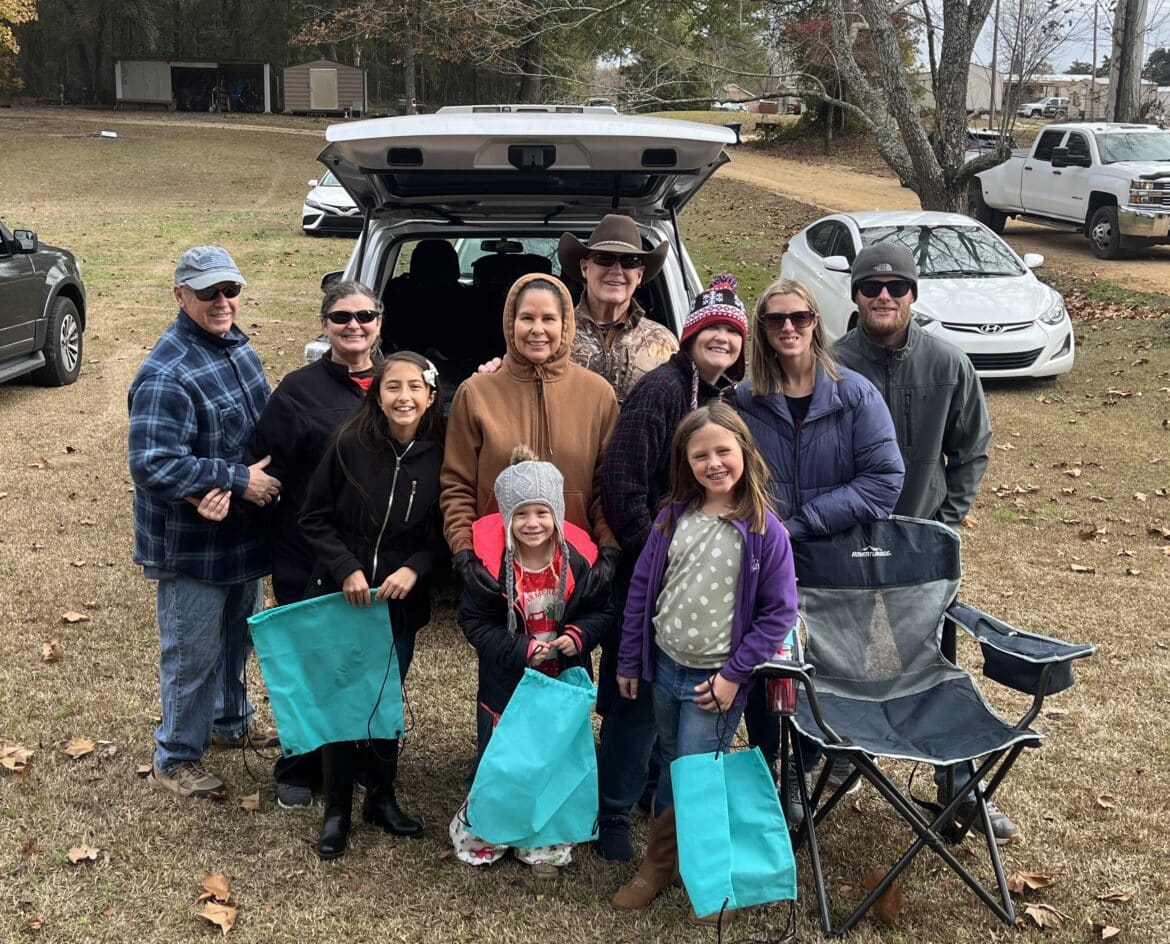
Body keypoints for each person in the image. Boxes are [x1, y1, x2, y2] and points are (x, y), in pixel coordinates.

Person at [833, 243, 1012, 842]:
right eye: (871, 287)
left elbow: (972, 450)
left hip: (922, 545)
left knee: (933, 664)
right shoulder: (830, 364)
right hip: (847, 545)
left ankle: (958, 786)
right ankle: (837, 765)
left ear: (913, 293)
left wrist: (945, 525)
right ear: (856, 295)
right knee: (842, 656)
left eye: (897, 286)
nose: (884, 296)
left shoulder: (948, 363)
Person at [613, 402, 798, 920]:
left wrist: (734, 676)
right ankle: (660, 864)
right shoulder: (672, 519)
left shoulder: (764, 531)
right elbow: (642, 592)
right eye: (700, 455)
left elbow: (779, 614)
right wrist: (630, 660)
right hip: (665, 666)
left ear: (745, 451)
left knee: (700, 771)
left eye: (723, 451)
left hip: (714, 680)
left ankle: (713, 874)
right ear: (685, 462)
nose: (713, 463)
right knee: (674, 764)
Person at [733, 277, 904, 826]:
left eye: (799, 317)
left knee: (829, 671)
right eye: (775, 319)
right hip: (765, 566)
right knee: (767, 671)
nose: (788, 327)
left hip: (838, 562)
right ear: (762, 329)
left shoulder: (855, 395)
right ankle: (770, 769)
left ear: (815, 322)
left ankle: (805, 765)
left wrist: (802, 524)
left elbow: (884, 480)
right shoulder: (743, 401)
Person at [594, 272, 749, 861]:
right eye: (710, 328)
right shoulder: (662, 389)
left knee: (671, 695)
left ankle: (651, 796)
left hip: (699, 575)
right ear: (689, 336)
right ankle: (611, 812)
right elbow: (621, 481)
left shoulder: (724, 397)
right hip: (653, 570)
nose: (721, 339)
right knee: (635, 698)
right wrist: (654, 556)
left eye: (731, 331)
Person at [128, 245, 282, 799]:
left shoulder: (238, 349)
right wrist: (236, 480)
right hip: (191, 545)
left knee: (238, 637)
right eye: (207, 292)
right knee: (192, 653)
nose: (222, 302)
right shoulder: (166, 373)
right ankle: (176, 756)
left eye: (230, 290)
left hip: (240, 534)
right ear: (180, 295)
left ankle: (229, 722)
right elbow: (151, 462)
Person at [241, 281, 384, 809]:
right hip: (307, 551)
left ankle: (359, 758)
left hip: (373, 555)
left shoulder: (397, 382)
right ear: (324, 324)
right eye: (341, 316)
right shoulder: (298, 391)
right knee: (308, 661)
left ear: (379, 322)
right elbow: (265, 467)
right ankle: (300, 763)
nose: (354, 326)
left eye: (364, 315)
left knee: (364, 663)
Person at [298, 351, 445, 858]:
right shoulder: (348, 444)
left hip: (397, 605)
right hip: (346, 599)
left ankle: (380, 797)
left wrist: (416, 568)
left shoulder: (442, 455)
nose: (404, 397)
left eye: (414, 387)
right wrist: (346, 567)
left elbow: (444, 533)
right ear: (377, 396)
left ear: (431, 396)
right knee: (343, 699)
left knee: (386, 697)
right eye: (392, 387)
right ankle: (337, 809)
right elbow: (313, 517)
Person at [450, 445, 612, 878]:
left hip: (561, 682)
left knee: (552, 757)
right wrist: (520, 648)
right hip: (507, 684)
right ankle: (489, 831)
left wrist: (577, 637)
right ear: (506, 518)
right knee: (505, 758)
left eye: (542, 512)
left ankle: (544, 834)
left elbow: (601, 611)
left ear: (557, 513)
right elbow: (474, 622)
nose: (532, 523)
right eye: (521, 514)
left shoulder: (579, 562)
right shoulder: (488, 568)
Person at [441, 273, 620, 599]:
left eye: (548, 318)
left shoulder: (598, 395)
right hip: (496, 566)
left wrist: (608, 549)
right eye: (527, 318)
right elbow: (457, 485)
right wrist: (464, 550)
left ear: (565, 325)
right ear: (511, 324)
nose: (538, 329)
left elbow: (605, 487)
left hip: (574, 565)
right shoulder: (476, 392)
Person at [557, 213, 679, 406]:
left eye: (630, 261)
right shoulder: (554, 334)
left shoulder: (665, 344)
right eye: (604, 258)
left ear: (639, 275)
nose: (616, 270)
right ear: (585, 268)